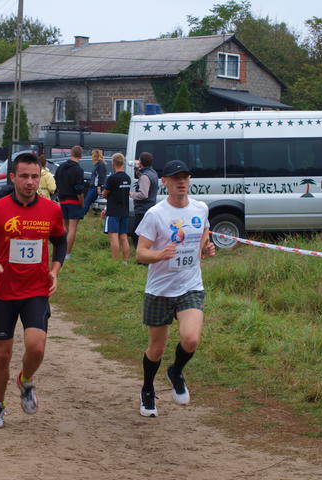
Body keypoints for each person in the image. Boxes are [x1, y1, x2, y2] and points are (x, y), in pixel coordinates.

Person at [0, 152, 66, 429]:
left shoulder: (51, 210)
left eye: (35, 176)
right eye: (24, 176)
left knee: (36, 346)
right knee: (3, 355)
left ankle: (25, 379)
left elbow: (60, 242)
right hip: (4, 292)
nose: (30, 182)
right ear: (13, 177)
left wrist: (55, 271)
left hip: (36, 289)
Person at [135, 160, 216, 418]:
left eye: (185, 177)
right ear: (165, 182)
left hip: (190, 286)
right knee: (156, 349)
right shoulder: (155, 214)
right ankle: (148, 389)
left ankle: (176, 371)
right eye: (175, 178)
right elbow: (140, 253)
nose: (181, 182)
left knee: (191, 339)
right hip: (160, 289)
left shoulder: (200, 208)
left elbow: (204, 235)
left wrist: (207, 248)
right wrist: (159, 255)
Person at [55, 145, 85, 259]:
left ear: (71, 153)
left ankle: (60, 250)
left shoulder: (61, 167)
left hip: (62, 200)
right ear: (81, 155)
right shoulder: (78, 170)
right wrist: (82, 203)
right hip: (74, 201)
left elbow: (56, 182)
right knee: (72, 228)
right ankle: (67, 254)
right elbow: (79, 190)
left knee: (64, 227)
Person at [102, 153, 132, 262]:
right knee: (123, 237)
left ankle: (114, 262)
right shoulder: (127, 178)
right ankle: (125, 261)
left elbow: (105, 194)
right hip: (124, 210)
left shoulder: (112, 178)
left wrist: (104, 194)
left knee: (113, 237)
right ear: (122, 163)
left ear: (113, 164)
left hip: (113, 211)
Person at [130, 152, 159, 248]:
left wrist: (131, 194)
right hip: (150, 208)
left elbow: (143, 194)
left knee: (136, 234)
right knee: (147, 234)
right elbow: (144, 180)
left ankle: (141, 254)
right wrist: (137, 170)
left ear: (141, 162)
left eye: (139, 160)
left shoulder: (145, 176)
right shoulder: (153, 173)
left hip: (143, 209)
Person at [82, 149, 107, 215]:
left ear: (95, 156)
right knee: (87, 201)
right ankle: (83, 213)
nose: (91, 156)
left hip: (95, 187)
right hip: (93, 186)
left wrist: (98, 187)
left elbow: (100, 177)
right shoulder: (97, 164)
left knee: (87, 201)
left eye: (92, 155)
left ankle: (81, 214)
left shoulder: (100, 164)